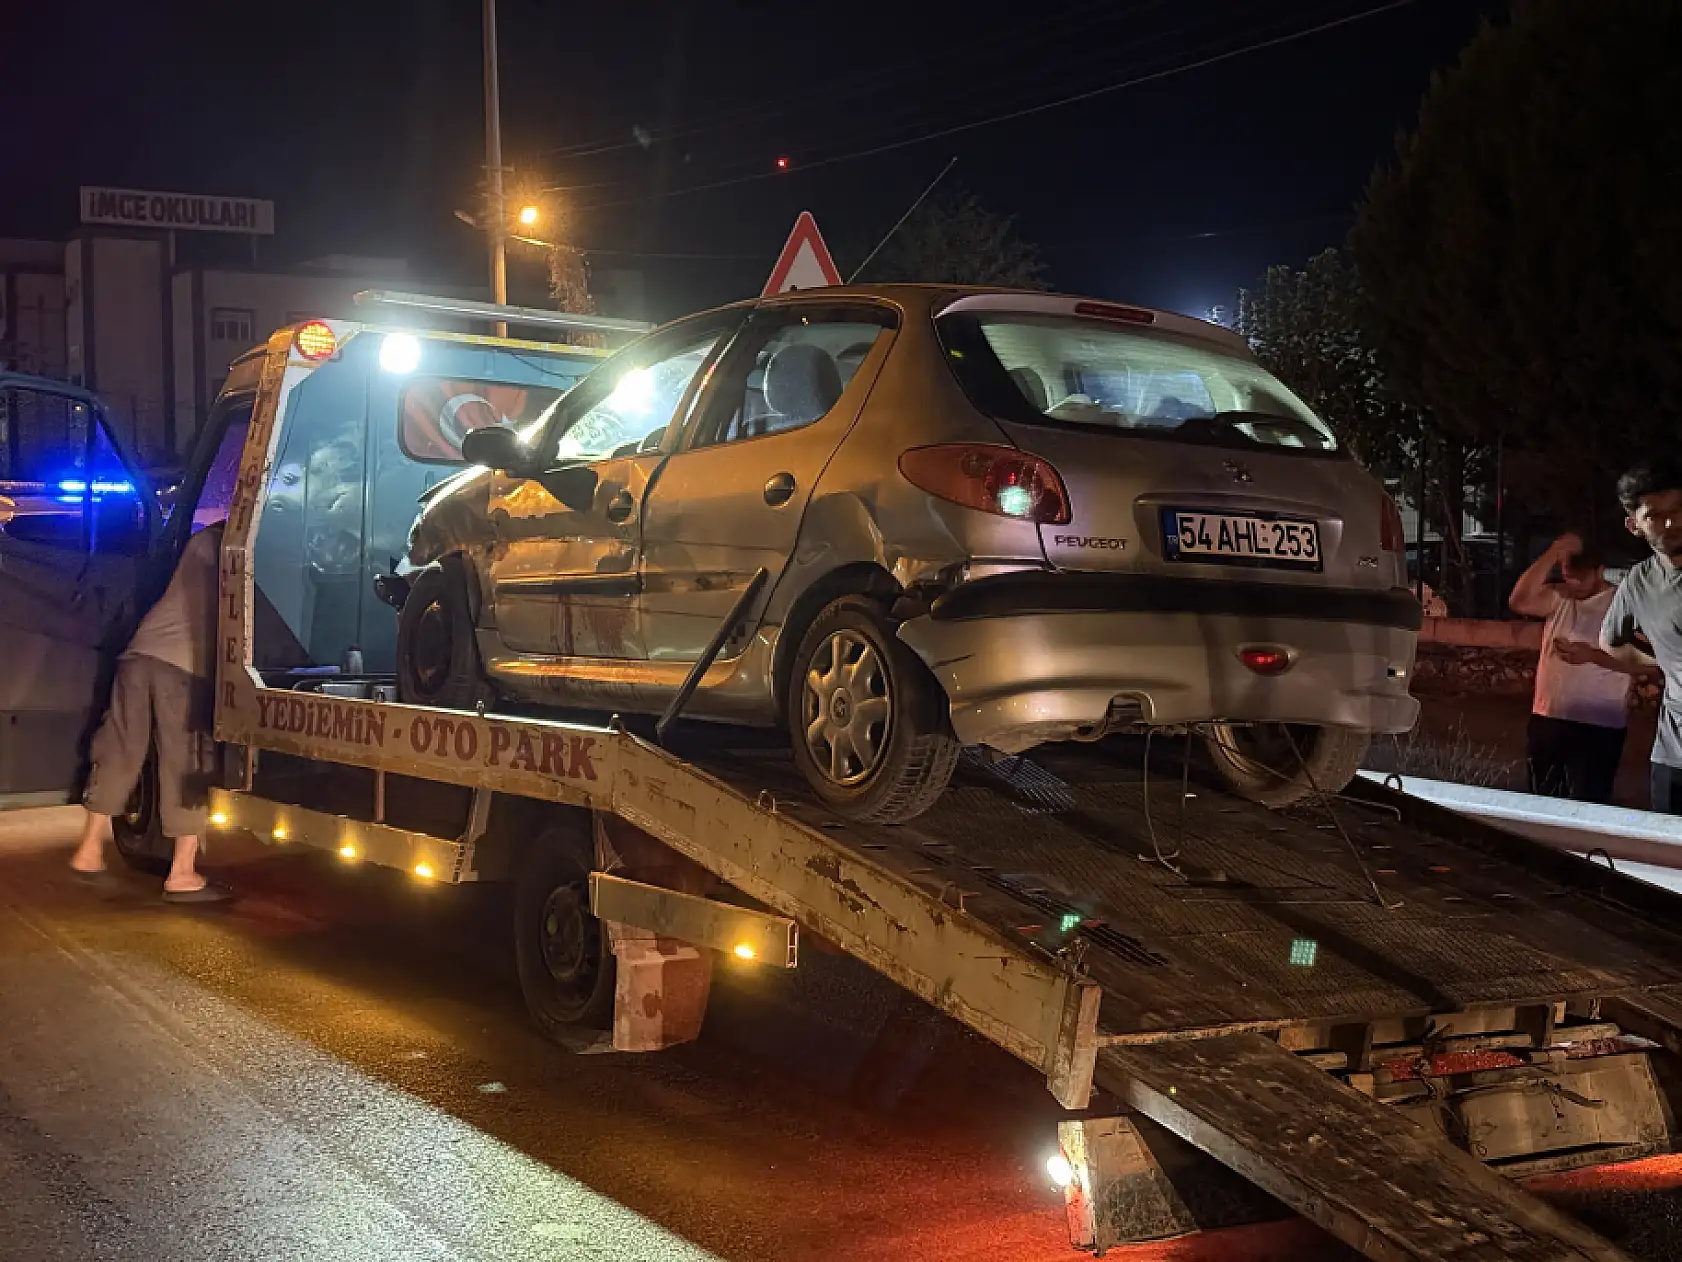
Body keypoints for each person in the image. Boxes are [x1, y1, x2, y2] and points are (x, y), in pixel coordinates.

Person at [68, 522, 232, 901]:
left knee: (120, 747)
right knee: (187, 761)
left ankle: (89, 850)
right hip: (182, 665)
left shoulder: (204, 538)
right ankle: (182, 872)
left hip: (140, 652)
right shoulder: (242, 538)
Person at [1508, 533, 1639, 803]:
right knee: (1541, 801)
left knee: (1590, 804)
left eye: (1580, 576)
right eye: (1568, 574)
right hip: (1550, 716)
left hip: (1601, 724)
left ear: (1600, 571)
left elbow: (1644, 664)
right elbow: (1518, 601)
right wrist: (1554, 552)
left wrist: (1591, 656)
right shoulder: (1560, 597)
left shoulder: (1622, 605)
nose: (1573, 583)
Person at [1601, 461, 1682, 814]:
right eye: (1655, 515)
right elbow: (1610, 642)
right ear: (1634, 525)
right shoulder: (1638, 582)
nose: (1672, 522)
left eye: (1679, 509)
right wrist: (1660, 663)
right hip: (1672, 755)